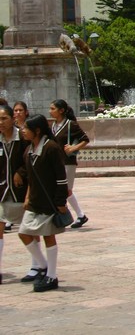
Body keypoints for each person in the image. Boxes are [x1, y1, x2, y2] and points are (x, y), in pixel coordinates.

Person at [17, 114, 68, 292]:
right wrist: (27, 197)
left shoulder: (51, 148)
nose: (23, 131)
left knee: (48, 236)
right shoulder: (29, 149)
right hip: (35, 201)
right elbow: (31, 177)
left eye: (26, 128)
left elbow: (61, 178)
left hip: (49, 202)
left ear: (36, 131)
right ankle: (43, 265)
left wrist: (60, 202)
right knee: (24, 232)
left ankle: (52, 276)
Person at [50, 99, 90, 228]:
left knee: (66, 190)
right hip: (57, 162)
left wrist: (73, 148)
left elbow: (85, 139)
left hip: (68, 162)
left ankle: (78, 214)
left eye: (53, 109)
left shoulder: (70, 125)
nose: (50, 111)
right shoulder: (54, 125)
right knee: (62, 189)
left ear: (61, 110)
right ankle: (78, 215)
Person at [0, 104, 29, 284]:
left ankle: (38, 265)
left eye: (4, 118)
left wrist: (21, 172)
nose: (0, 122)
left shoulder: (23, 137)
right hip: (2, 190)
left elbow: (32, 159)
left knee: (28, 231)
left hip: (21, 191)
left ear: (13, 118)